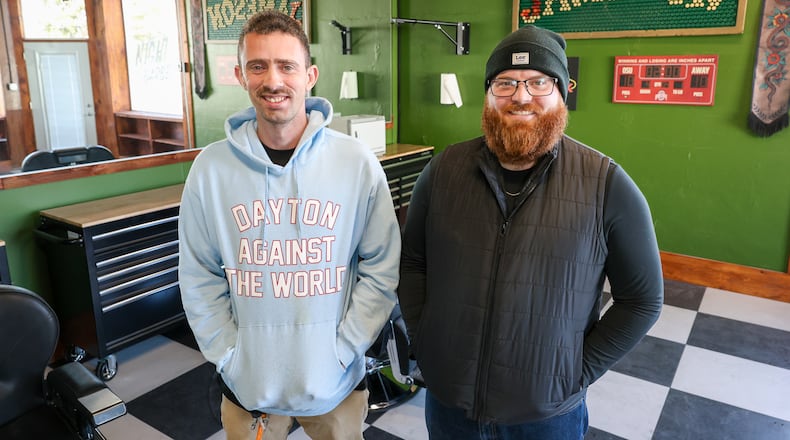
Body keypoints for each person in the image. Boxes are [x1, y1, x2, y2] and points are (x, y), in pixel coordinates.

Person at [398, 25, 664, 439]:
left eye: (539, 82)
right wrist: (427, 343)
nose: (521, 96)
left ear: (562, 92)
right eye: (505, 83)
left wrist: (574, 373)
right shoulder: (442, 172)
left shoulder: (606, 184)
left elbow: (643, 300)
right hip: (449, 406)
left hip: (546, 417)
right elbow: (412, 264)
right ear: (487, 95)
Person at [178, 10, 400, 440]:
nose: (273, 80)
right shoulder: (209, 170)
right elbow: (198, 274)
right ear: (241, 75)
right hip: (248, 386)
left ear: (310, 75)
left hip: (335, 382)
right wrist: (229, 354)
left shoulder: (356, 163)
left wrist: (345, 347)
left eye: (287, 66)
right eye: (258, 66)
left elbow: (381, 266)